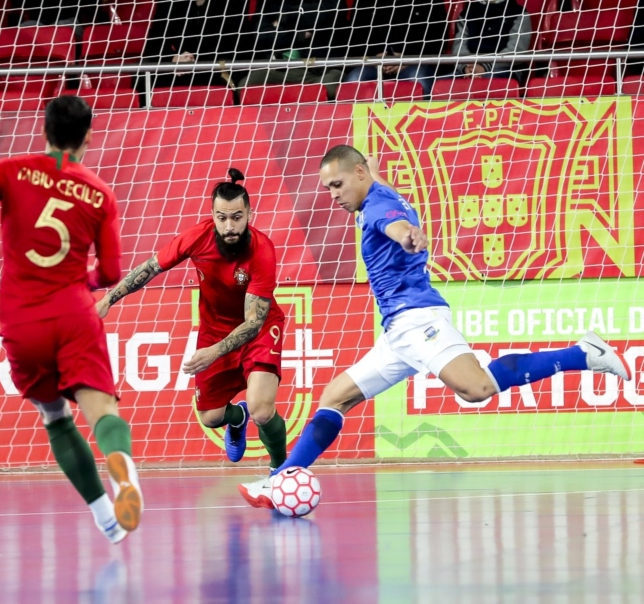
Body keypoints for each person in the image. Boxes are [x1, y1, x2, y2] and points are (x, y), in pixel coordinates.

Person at [261, 145, 632, 497]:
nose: (333, 195)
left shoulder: (376, 210)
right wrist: (377, 176)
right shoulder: (381, 194)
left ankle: (583, 353)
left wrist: (408, 236)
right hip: (396, 333)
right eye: (327, 188)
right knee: (334, 397)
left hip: (417, 319)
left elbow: (396, 227)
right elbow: (390, 206)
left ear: (358, 173)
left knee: (477, 388)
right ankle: (280, 480)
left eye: (337, 185)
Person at [0, 95, 142, 544]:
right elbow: (113, 273)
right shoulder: (99, 192)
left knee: (55, 417)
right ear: (89, 136)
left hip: (21, 319)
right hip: (74, 312)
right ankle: (125, 474)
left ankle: (105, 518)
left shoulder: (9, 169)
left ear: (45, 132)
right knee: (103, 411)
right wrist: (82, 279)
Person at [95, 169, 289, 508]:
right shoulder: (196, 237)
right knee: (213, 417)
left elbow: (253, 322)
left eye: (237, 218)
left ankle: (280, 472)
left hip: (256, 328)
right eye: (222, 218)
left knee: (261, 407)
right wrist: (109, 299)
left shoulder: (262, 250)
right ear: (213, 215)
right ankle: (236, 418)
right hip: (214, 330)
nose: (230, 227)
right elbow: (151, 268)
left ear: (250, 214)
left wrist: (214, 352)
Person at [140, 0, 252, 93]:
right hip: (181, 67)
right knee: (142, 75)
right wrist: (173, 59)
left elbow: (242, 46)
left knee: (234, 78)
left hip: (218, 67)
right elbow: (154, 44)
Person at [241, 0, 346, 96]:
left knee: (330, 86)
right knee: (245, 86)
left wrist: (283, 18)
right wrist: (300, 35)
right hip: (277, 69)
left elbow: (324, 16)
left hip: (318, 71)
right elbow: (261, 36)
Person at [343, 0, 448, 95]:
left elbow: (438, 37)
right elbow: (355, 38)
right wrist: (375, 58)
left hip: (415, 63)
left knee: (419, 79)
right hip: (372, 64)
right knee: (354, 79)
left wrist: (407, 59)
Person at [452, 0, 531, 84]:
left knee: (488, 80)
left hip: (507, 69)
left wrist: (485, 67)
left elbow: (516, 51)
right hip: (470, 69)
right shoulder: (467, 13)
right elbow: (459, 46)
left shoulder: (518, 12)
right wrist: (466, 68)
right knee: (440, 82)